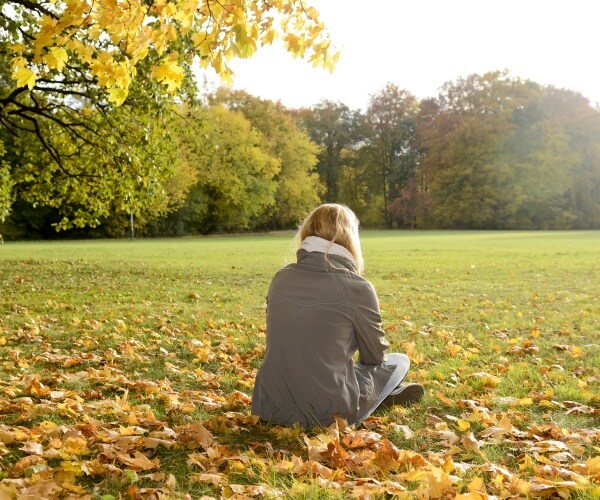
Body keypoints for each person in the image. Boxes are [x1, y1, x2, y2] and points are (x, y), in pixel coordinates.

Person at [251, 203, 423, 428]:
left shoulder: (280, 278)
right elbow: (374, 356)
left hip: (270, 405)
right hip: (329, 413)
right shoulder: (357, 287)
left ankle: (380, 395)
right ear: (350, 237)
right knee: (399, 361)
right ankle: (382, 396)